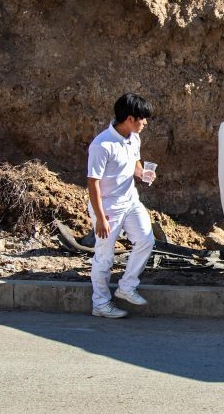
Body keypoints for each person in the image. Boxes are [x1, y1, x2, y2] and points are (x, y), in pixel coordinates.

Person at [87, 93, 157, 318]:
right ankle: (100, 304)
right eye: (142, 118)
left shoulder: (134, 138)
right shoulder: (102, 145)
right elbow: (92, 183)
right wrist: (100, 218)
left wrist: (142, 173)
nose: (145, 123)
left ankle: (127, 287)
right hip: (108, 207)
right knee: (104, 256)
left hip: (131, 201)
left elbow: (134, 163)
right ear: (129, 118)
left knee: (146, 240)